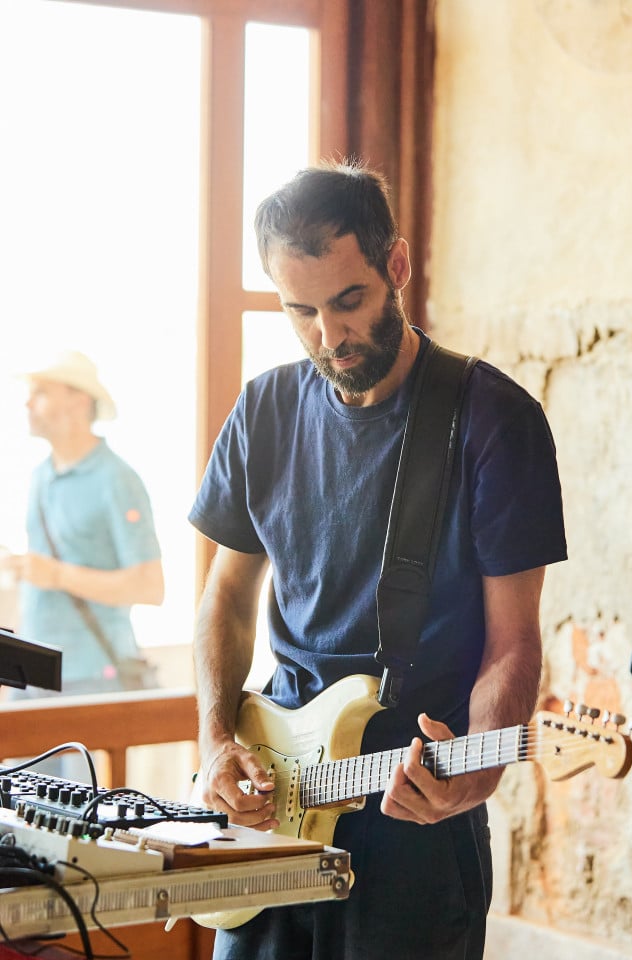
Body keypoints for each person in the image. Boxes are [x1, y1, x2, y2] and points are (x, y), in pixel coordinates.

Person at [188, 160, 567, 960]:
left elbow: (513, 642)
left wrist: (480, 767)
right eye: (301, 312)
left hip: (414, 814)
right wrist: (216, 738)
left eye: (348, 301)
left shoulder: (494, 420)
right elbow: (225, 598)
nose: (330, 336)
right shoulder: (263, 410)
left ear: (394, 265)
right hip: (272, 798)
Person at [5, 349, 164, 697]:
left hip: (90, 675)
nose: (28, 404)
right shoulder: (39, 477)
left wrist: (57, 575)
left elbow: (150, 587)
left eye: (41, 392)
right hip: (27, 673)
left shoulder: (117, 480)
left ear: (78, 402)